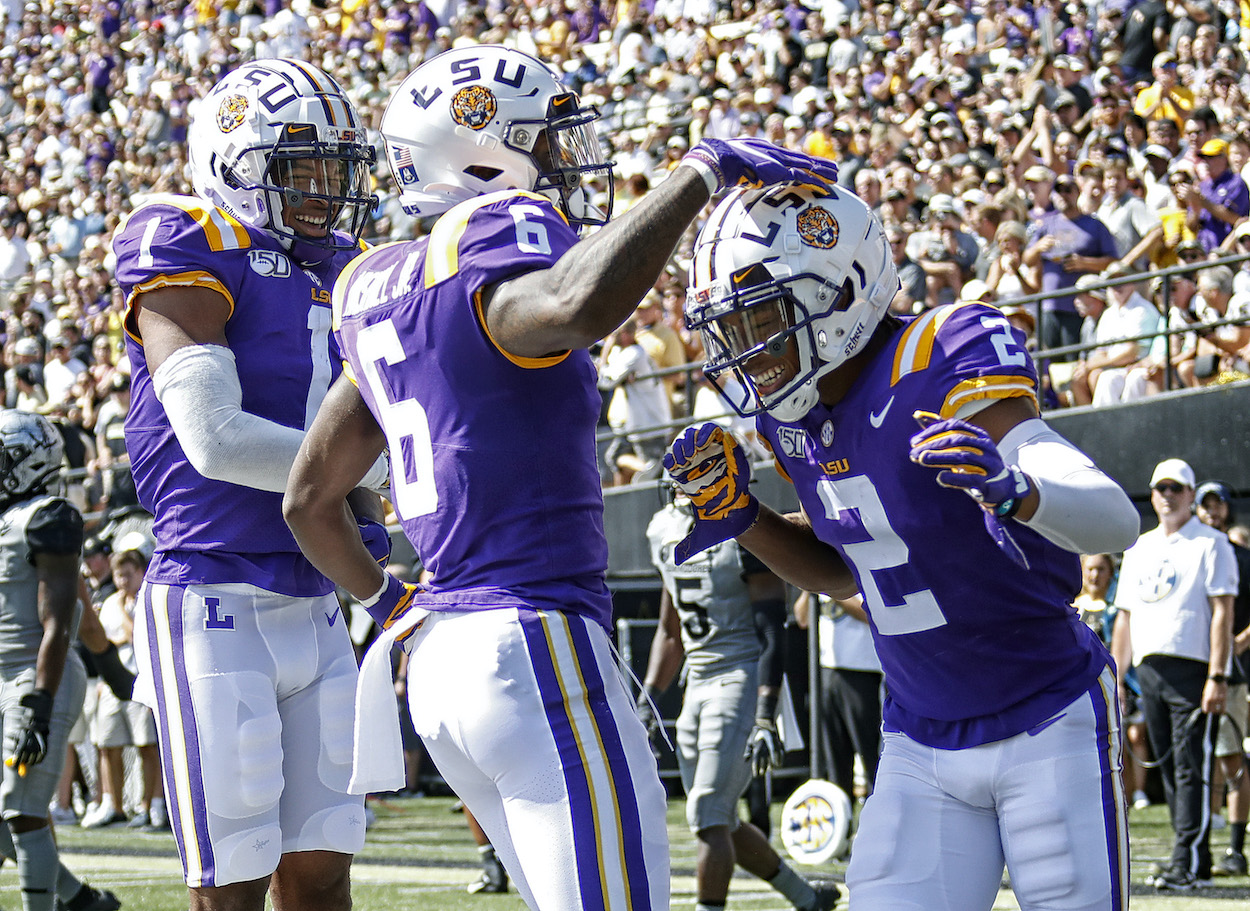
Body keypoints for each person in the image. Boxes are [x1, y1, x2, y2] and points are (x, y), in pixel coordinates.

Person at [281, 44, 839, 911]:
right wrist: (695, 176)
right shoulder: (490, 242)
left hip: (442, 654)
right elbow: (573, 305)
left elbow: (309, 500)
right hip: (532, 637)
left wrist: (391, 604)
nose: (565, 162)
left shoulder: (377, 285)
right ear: (478, 155)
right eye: (544, 142)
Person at [665, 181, 1141, 910]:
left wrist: (1015, 489)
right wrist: (744, 518)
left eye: (760, 316)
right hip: (919, 731)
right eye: (730, 326)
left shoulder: (940, 350)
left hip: (1046, 710)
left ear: (840, 290)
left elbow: (1114, 520)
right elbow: (846, 567)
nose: (746, 349)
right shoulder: (789, 420)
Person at [110, 59, 386, 911]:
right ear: (232, 164)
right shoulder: (186, 235)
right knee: (232, 878)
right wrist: (383, 467)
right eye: (300, 168)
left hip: (319, 594)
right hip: (213, 594)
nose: (324, 190)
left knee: (324, 869)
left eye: (335, 169)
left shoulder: (349, 265)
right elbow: (215, 438)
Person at [640, 497, 841, 911]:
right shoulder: (663, 528)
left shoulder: (741, 525)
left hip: (740, 673)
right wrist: (648, 701)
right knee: (721, 817)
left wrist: (766, 714)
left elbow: (772, 630)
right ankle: (807, 899)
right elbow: (670, 631)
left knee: (708, 813)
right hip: (697, 677)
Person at [0, 409, 120, 911]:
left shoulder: (49, 516)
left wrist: (40, 705)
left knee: (24, 811)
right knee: (8, 812)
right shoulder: (9, 520)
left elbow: (59, 622)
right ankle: (81, 901)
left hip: (36, 674)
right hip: (6, 674)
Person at [1112, 459, 1238, 891]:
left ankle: (1187, 860)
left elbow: (1223, 612)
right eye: (1160, 488)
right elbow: (1125, 617)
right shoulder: (1139, 547)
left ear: (1190, 494)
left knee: (1191, 767)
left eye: (1176, 488)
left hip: (1194, 669)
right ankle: (1191, 860)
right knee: (1169, 768)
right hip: (1149, 669)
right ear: (1152, 495)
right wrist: (1116, 679)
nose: (1167, 495)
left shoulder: (1213, 543)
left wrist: (1217, 676)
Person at [1193, 480, 1250, 876]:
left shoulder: (1243, 557)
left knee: (1231, 760)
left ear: (1228, 509)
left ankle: (1235, 849)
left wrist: (1234, 646)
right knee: (1194, 764)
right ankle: (1193, 852)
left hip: (1230, 674)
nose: (1212, 511)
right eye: (1206, 504)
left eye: (1219, 504)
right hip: (1189, 672)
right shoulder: (1185, 551)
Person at [793, 592, 882, 805]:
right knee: (835, 759)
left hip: (861, 671)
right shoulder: (820, 582)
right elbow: (802, 618)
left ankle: (879, 810)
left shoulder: (855, 580)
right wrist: (809, 587)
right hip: (827, 671)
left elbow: (870, 615)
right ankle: (843, 815)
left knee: (871, 755)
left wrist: (832, 591)